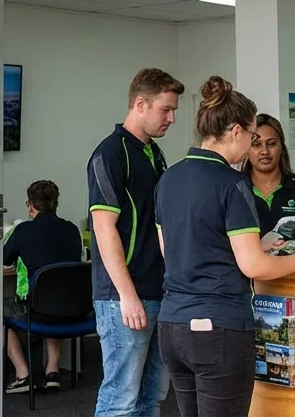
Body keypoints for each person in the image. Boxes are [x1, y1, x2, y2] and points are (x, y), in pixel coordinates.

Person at [155, 77, 295, 417]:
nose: (253, 146)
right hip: (219, 329)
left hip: (172, 325)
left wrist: (256, 245)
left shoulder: (168, 178)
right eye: (251, 137)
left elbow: (175, 251)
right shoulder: (233, 184)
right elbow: (254, 268)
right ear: (235, 131)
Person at [88, 67, 184, 417]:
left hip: (159, 290)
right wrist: (127, 295)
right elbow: (103, 228)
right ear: (140, 104)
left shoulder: (154, 154)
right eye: (166, 109)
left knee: (152, 397)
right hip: (123, 298)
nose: (172, 118)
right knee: (120, 400)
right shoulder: (110, 154)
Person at [3, 180, 86, 394]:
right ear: (55, 204)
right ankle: (52, 372)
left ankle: (23, 375)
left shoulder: (23, 230)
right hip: (72, 309)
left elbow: (4, 258)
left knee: (3, 311)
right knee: (53, 299)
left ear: (31, 205)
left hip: (38, 311)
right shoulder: (71, 229)